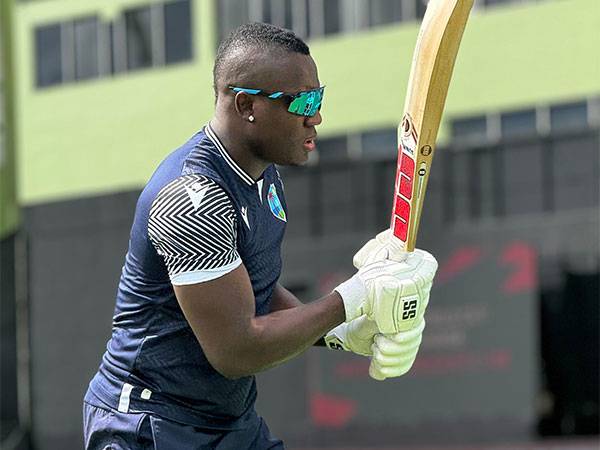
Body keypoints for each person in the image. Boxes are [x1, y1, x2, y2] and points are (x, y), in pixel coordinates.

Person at [83, 22, 437, 450]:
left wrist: (339, 334)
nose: (317, 116)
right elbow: (236, 351)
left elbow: (253, 290)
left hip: (227, 420)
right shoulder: (191, 198)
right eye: (303, 102)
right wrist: (353, 298)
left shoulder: (262, 175)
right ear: (247, 105)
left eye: (319, 97)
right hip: (150, 424)